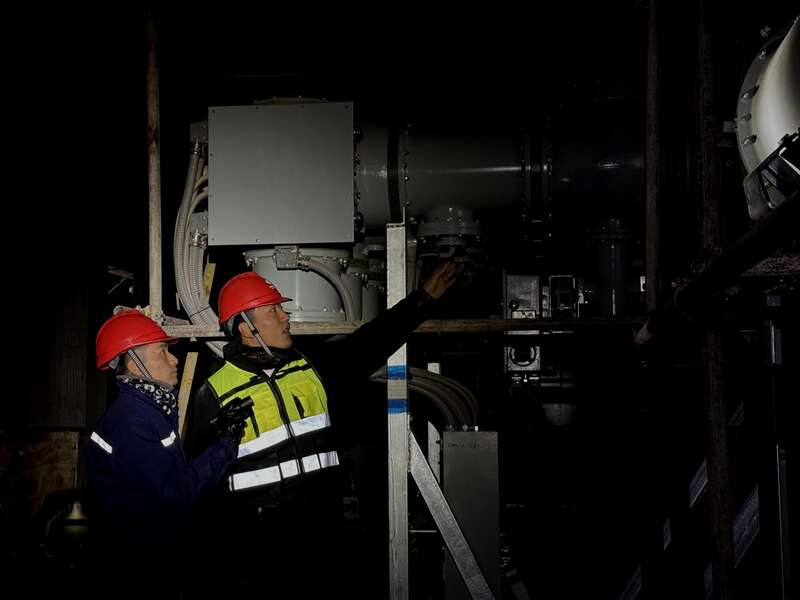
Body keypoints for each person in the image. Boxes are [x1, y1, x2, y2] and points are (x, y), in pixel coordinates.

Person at [183, 261, 458, 597]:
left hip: (322, 527)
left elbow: (371, 342)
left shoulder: (310, 367)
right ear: (246, 328)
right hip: (259, 546)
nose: (285, 318)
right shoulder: (213, 392)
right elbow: (199, 485)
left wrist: (422, 300)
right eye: (273, 311)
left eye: (282, 309)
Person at [85, 309, 246, 598]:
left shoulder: (149, 410)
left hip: (145, 556)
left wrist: (217, 430)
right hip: (142, 567)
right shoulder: (133, 423)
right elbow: (176, 493)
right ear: (135, 365)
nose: (174, 359)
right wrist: (225, 444)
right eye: (162, 352)